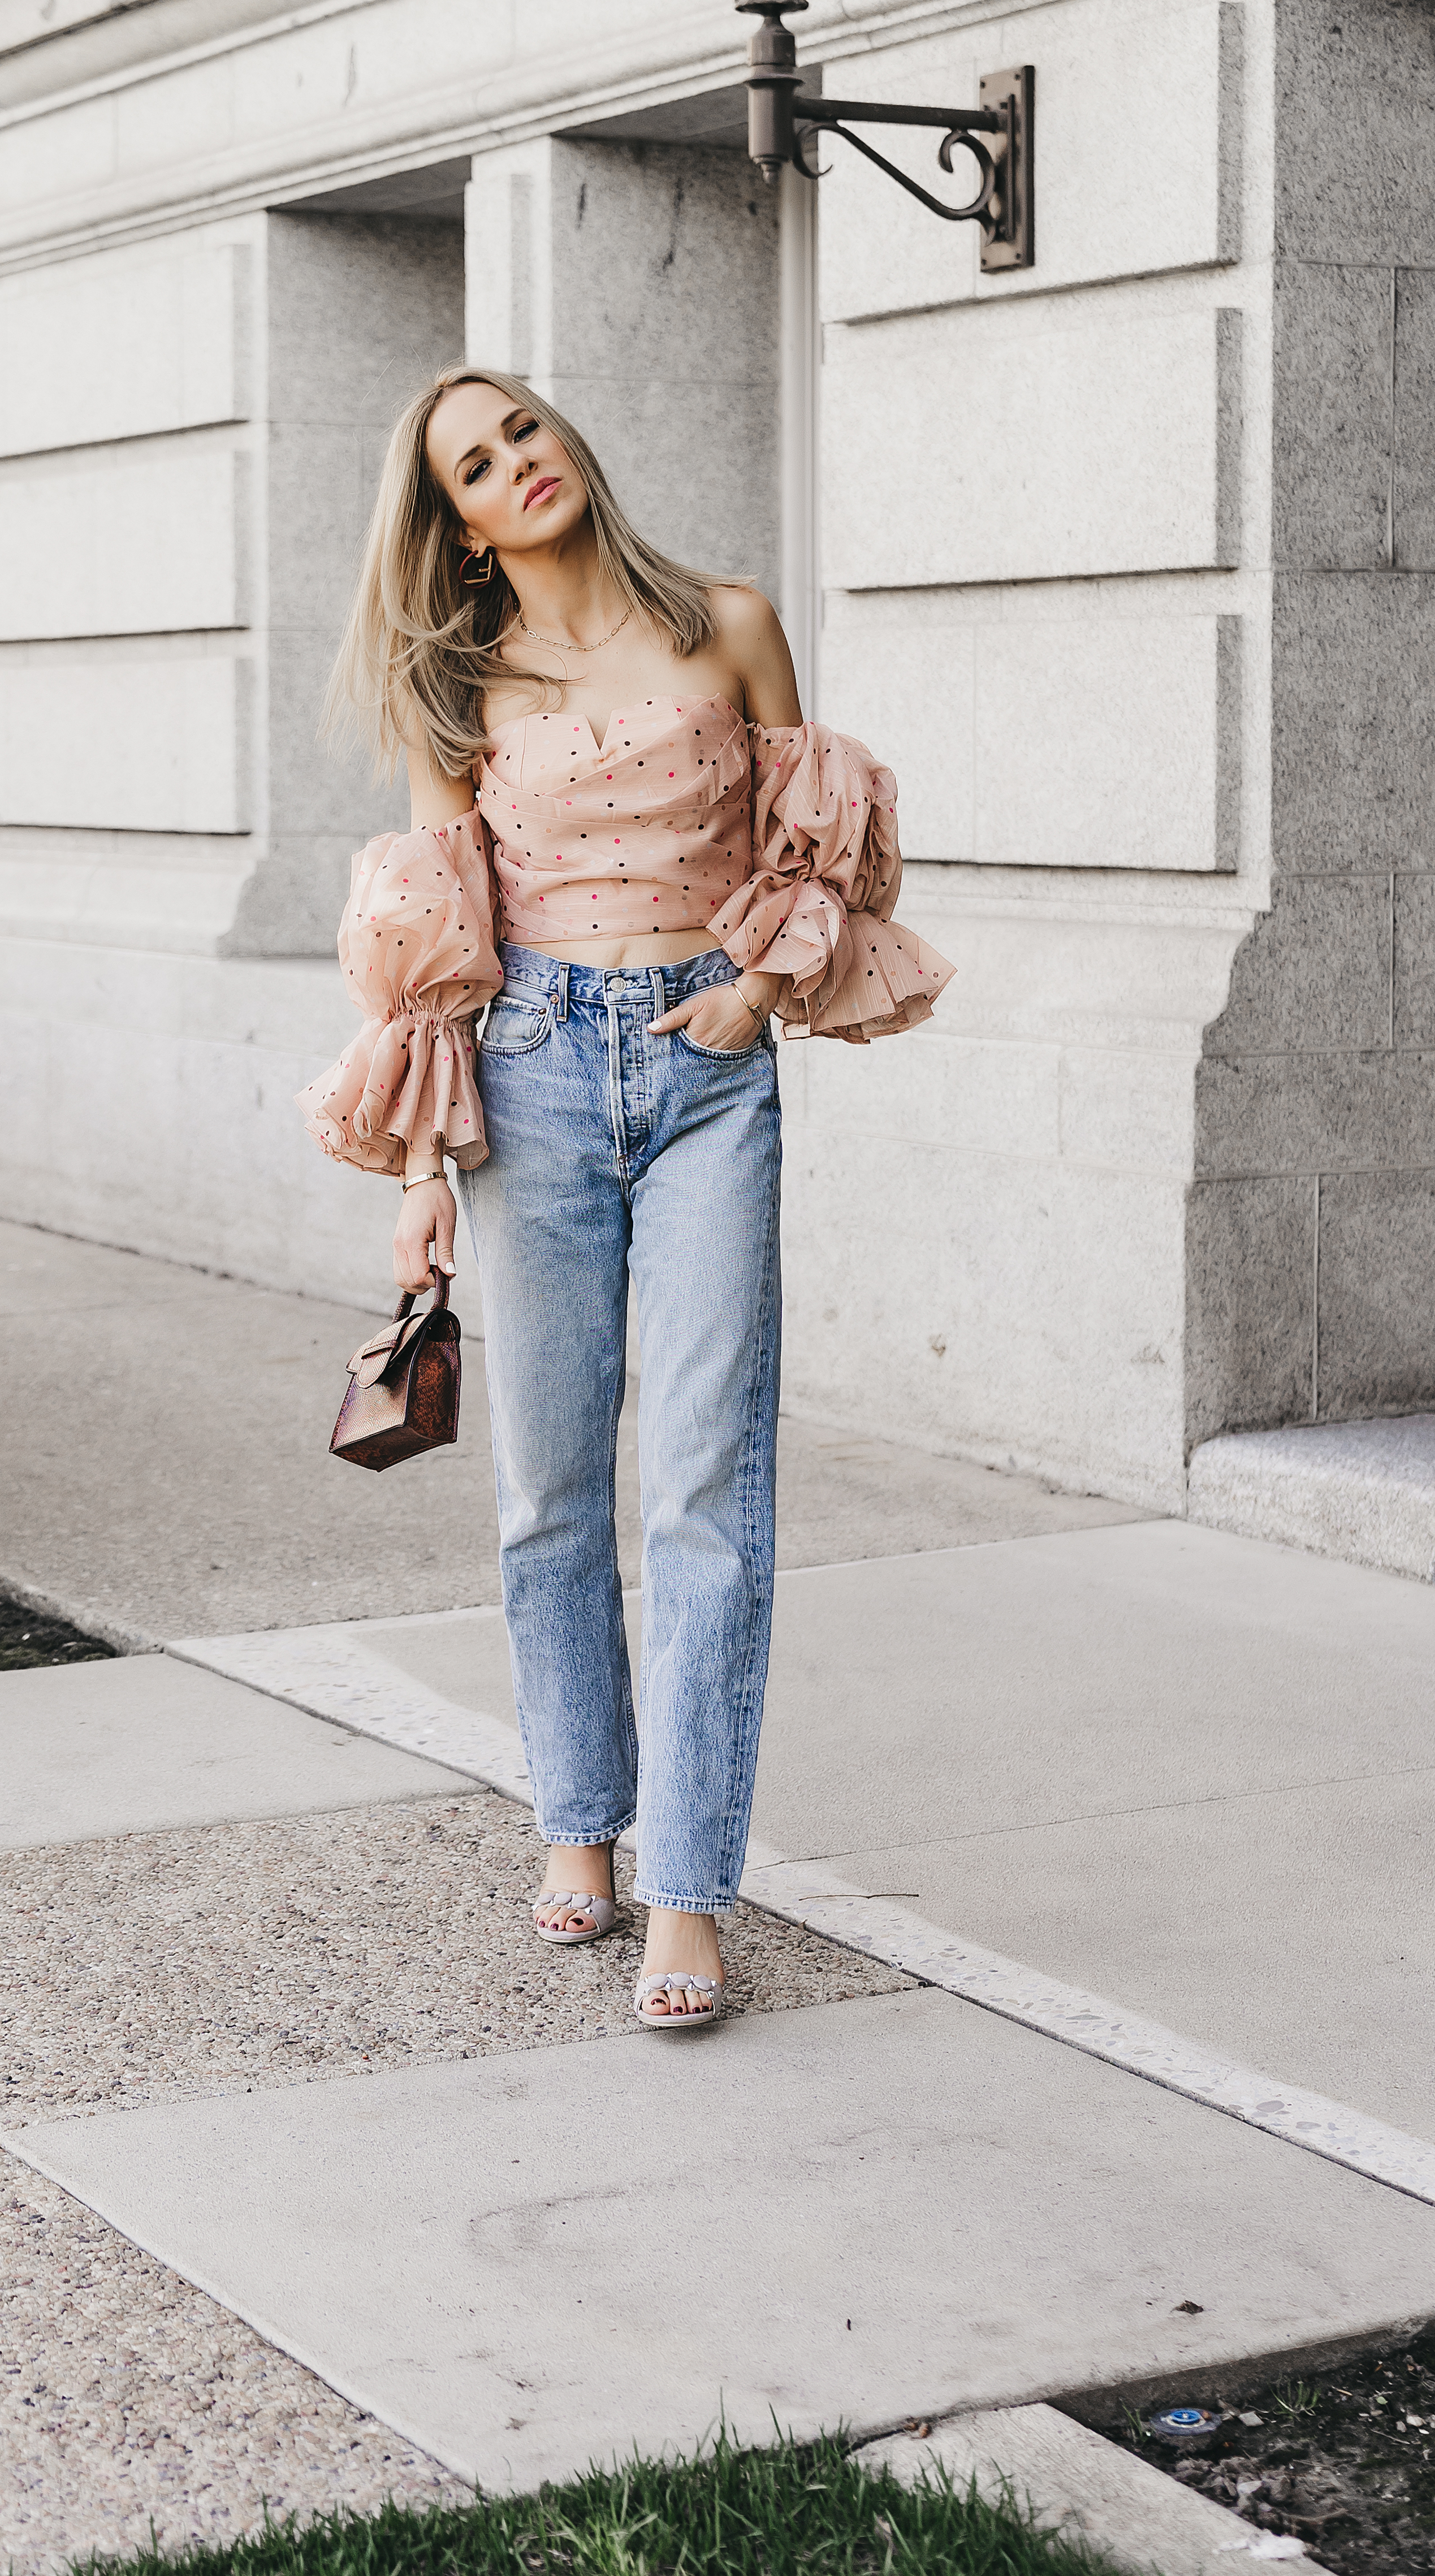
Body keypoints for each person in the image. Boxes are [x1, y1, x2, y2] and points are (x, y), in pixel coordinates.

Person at [303, 367, 952, 2031]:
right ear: (451, 518)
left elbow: (816, 849)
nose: (514, 466)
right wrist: (423, 1182)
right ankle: (577, 1819)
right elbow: (443, 937)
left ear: (567, 441)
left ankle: (686, 1891)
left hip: (705, 1078)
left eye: (521, 430)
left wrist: (749, 990)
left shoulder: (726, 621)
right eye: (474, 464)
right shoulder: (462, 684)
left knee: (706, 1487)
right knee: (547, 1485)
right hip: (526, 1070)